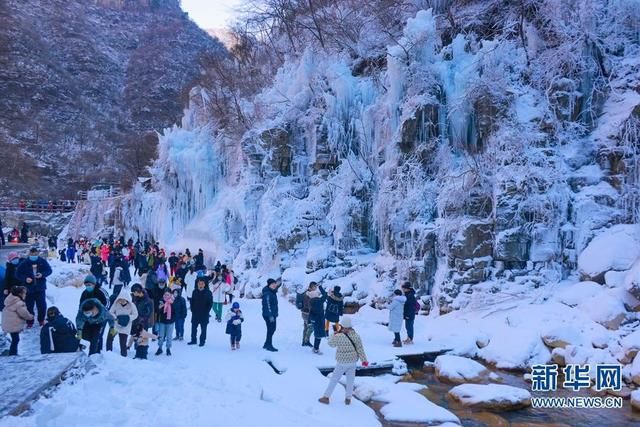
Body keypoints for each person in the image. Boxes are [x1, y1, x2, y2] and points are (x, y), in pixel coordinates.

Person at [318, 316, 368, 406]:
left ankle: (326, 397)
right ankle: (348, 399)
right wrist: (364, 360)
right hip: (352, 362)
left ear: (343, 326)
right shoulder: (356, 335)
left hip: (341, 362)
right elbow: (360, 349)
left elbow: (330, 344)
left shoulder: (339, 336)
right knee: (350, 381)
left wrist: (334, 334)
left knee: (334, 379)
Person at [15, 247, 52, 327]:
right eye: (32, 254)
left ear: (37, 254)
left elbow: (49, 270)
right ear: (29, 254)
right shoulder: (24, 263)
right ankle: (30, 321)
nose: (33, 256)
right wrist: (25, 278)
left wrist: (42, 274)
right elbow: (17, 274)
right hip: (28, 289)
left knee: (42, 305)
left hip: (40, 288)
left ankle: (41, 320)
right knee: (29, 306)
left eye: (35, 254)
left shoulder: (42, 262)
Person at [1, 286, 34, 355]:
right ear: (20, 294)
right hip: (13, 325)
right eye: (24, 293)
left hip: (8, 324)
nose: (25, 295)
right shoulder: (19, 303)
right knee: (16, 340)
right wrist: (31, 317)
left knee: (15, 339)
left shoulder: (10, 300)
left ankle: (12, 353)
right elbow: (24, 314)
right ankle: (13, 354)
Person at [107, 291, 138, 357]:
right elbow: (111, 312)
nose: (122, 301)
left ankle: (123, 356)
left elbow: (135, 314)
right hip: (116, 325)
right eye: (121, 300)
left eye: (124, 300)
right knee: (109, 339)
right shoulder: (116, 304)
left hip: (126, 326)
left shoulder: (132, 305)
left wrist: (128, 318)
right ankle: (108, 354)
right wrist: (115, 318)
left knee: (123, 343)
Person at [189, 276, 213, 346]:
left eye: (202, 283)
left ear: (205, 284)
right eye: (199, 283)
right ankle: (193, 340)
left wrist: (207, 311)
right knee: (193, 328)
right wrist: (192, 309)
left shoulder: (208, 292)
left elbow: (210, 303)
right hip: (195, 313)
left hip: (204, 314)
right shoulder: (194, 291)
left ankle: (202, 341)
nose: (200, 285)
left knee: (203, 329)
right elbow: (192, 301)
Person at [261, 278, 280, 352]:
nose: (274, 285)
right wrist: (270, 315)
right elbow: (267, 305)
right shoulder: (267, 293)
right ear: (269, 285)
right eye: (272, 284)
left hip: (272, 314)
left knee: (272, 329)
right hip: (268, 315)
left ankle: (267, 343)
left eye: (275, 283)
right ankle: (269, 345)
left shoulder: (272, 292)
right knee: (271, 329)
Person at [155, 289, 175, 356]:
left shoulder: (173, 301)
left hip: (170, 322)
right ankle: (160, 348)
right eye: (165, 294)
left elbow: (175, 312)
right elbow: (157, 311)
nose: (166, 296)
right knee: (161, 336)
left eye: (168, 294)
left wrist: (173, 318)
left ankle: (168, 348)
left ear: (170, 294)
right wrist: (159, 308)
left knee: (169, 336)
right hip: (162, 322)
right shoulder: (161, 301)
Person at [309, 284, 326, 354]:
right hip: (319, 320)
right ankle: (316, 348)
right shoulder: (319, 300)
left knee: (317, 333)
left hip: (314, 320)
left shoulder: (310, 301)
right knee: (319, 334)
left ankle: (315, 347)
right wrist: (320, 287)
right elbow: (325, 295)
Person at [300, 283, 315, 347]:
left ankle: (304, 341)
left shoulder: (307, 293)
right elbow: (308, 305)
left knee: (306, 328)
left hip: (304, 313)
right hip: (307, 314)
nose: (316, 288)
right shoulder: (308, 294)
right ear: (311, 287)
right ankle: (306, 341)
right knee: (310, 327)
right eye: (315, 287)